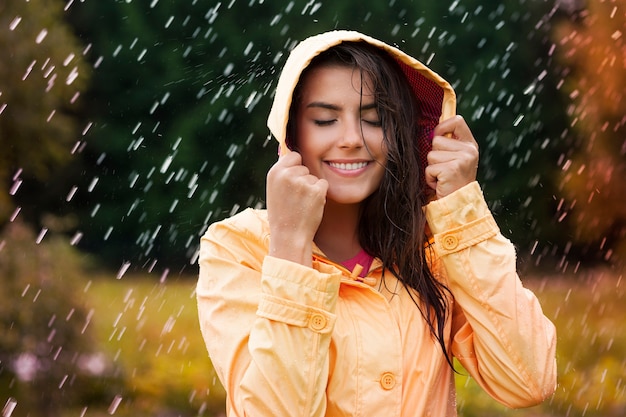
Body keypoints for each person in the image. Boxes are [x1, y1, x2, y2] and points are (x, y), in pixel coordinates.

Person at [197, 30, 557, 416]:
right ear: (291, 134)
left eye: (374, 119)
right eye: (324, 119)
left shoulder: (433, 250)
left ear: (400, 133)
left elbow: (529, 380)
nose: (352, 139)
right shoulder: (237, 248)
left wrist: (462, 209)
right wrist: (288, 246)